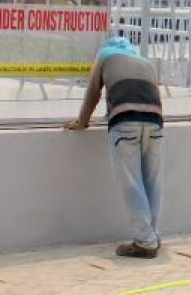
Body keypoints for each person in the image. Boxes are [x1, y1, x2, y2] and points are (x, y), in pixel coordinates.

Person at [65, 34, 164, 258]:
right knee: (153, 182)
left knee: (132, 182)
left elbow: (93, 94)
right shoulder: (146, 63)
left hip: (125, 123)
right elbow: (156, 96)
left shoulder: (105, 55)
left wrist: (81, 122)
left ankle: (145, 241)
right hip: (155, 124)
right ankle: (153, 235)